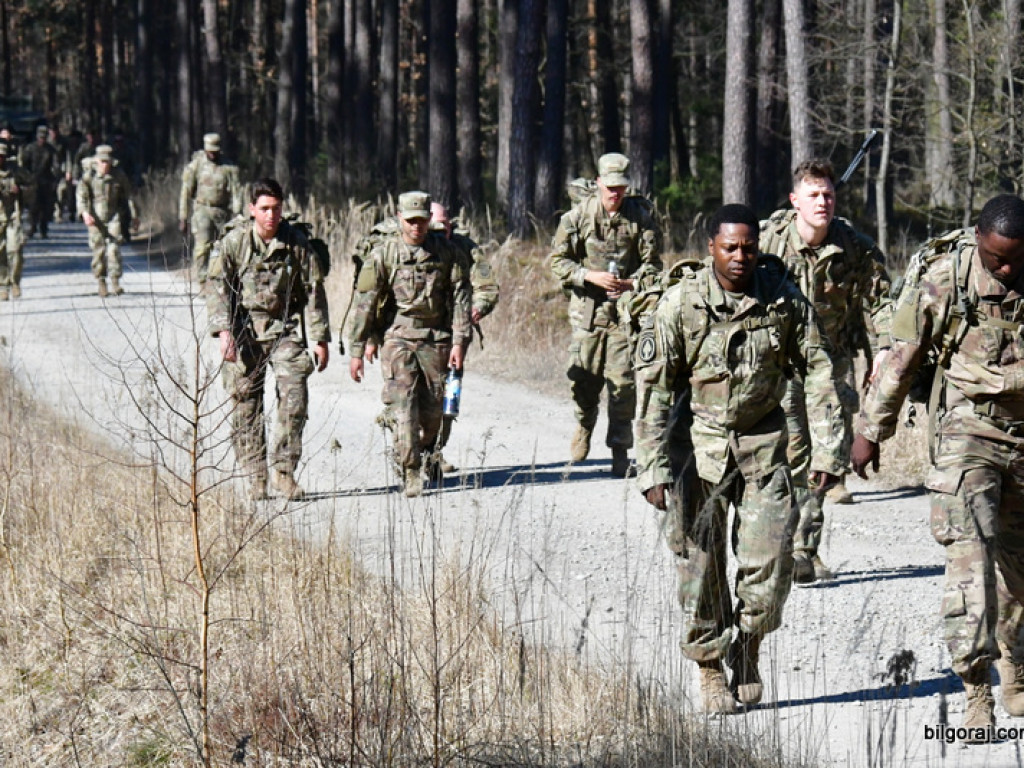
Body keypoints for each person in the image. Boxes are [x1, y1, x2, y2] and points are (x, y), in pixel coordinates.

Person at [635, 204, 844, 714]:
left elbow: (818, 370)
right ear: (711, 247)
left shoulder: (782, 298)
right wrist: (653, 466)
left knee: (772, 565)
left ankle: (747, 646)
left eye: (749, 247)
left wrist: (828, 448)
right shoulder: (681, 304)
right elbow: (654, 391)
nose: (740, 256)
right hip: (696, 448)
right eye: (730, 247)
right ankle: (710, 668)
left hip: (762, 445)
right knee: (699, 565)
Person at [851, 194, 1024, 739]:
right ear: (979, 240)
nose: (1007, 270)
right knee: (971, 558)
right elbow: (902, 358)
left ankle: (1015, 662)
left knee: (1017, 567)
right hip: (967, 430)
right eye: (997, 259)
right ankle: (975, 690)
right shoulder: (946, 279)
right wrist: (869, 429)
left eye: (1017, 258)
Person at [759, 159, 891, 583]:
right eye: (813, 195)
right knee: (788, 455)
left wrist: (885, 348)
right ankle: (775, 548)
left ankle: (805, 550)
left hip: (830, 366)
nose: (822, 202)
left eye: (829, 195)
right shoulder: (767, 241)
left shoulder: (854, 248)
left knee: (827, 454)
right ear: (794, 200)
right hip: (779, 365)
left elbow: (882, 302)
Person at [206, 177, 331, 501]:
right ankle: (255, 475)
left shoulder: (295, 243)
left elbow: (314, 290)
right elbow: (217, 287)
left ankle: (283, 472)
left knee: (295, 395)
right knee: (245, 404)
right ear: (252, 209)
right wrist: (224, 332)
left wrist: (320, 338)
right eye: (264, 209)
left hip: (282, 329)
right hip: (243, 329)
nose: (270, 215)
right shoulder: (235, 242)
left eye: (276, 208)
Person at [348, 191, 471, 498]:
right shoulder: (384, 254)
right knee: (404, 404)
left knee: (434, 411)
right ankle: (410, 469)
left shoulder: (446, 252)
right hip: (398, 337)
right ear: (400, 218)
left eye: (422, 221)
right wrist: (358, 349)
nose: (417, 227)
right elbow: (366, 303)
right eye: (411, 221)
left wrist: (459, 341)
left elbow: (461, 297)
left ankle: (427, 450)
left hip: (436, 340)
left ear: (429, 220)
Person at [549, 152, 662, 477]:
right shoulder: (577, 217)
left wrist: (631, 284)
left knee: (623, 385)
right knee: (583, 379)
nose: (615, 193)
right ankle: (584, 424)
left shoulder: (640, 218)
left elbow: (654, 266)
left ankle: (619, 451)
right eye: (610, 187)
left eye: (621, 187)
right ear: (598, 183)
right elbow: (557, 262)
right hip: (587, 312)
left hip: (624, 314)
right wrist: (589, 276)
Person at [429, 201, 499, 472]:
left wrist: (477, 308)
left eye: (444, 225)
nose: (440, 230)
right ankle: (413, 451)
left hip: (455, 333)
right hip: (419, 333)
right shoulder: (413, 246)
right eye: (434, 224)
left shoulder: (465, 249)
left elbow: (487, 286)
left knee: (449, 396)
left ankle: (435, 453)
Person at [179, 132, 244, 287]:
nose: (212, 155)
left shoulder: (228, 167)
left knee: (224, 246)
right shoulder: (196, 166)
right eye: (210, 151)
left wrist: (238, 215)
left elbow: (236, 192)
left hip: (222, 211)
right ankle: (202, 280)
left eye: (215, 152)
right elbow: (185, 192)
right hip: (203, 209)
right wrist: (183, 217)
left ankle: (222, 280)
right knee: (202, 246)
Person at [76, 144, 134, 297]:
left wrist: (134, 215)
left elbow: (128, 196)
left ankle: (115, 281)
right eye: (102, 161)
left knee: (114, 249)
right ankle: (101, 281)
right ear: (96, 161)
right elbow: (81, 197)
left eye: (107, 162)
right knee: (99, 251)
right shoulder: (89, 176)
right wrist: (85, 214)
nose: (104, 165)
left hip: (114, 216)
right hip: (95, 218)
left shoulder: (118, 175)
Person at [0, 144, 32, 300]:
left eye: (1, 156)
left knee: (15, 249)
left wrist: (20, 191)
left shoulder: (15, 171)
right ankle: (3, 285)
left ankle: (15, 282)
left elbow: (31, 185)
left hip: (13, 215)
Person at [20, 125, 60, 239]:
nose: (42, 139)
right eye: (40, 137)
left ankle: (43, 228)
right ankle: (32, 227)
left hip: (46, 181)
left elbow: (56, 165)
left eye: (44, 137)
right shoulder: (30, 148)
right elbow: (24, 164)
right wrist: (26, 178)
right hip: (32, 181)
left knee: (46, 207)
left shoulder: (51, 150)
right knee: (33, 206)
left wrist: (55, 179)